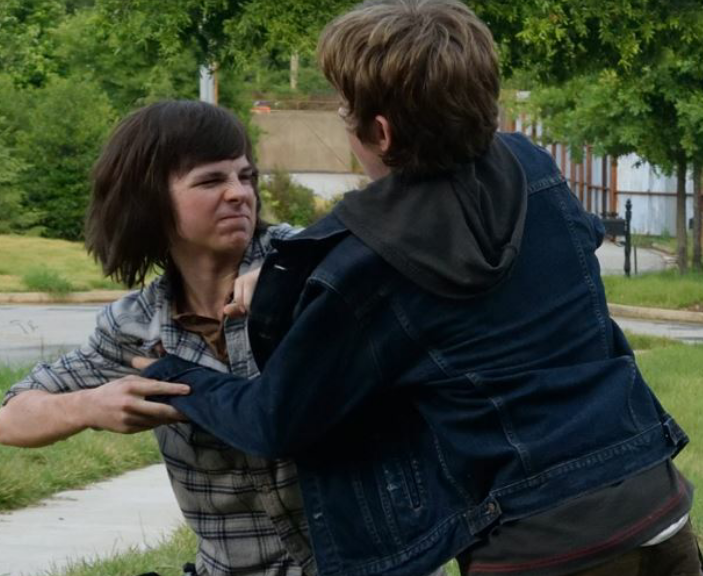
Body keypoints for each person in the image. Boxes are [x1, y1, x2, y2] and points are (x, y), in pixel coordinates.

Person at [139, 2, 702, 576]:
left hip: (541, 547)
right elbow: (572, 242)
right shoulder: (533, 168)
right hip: (656, 502)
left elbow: (275, 420)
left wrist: (174, 375)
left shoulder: (364, 268)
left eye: (345, 110)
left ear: (380, 133)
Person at [0, 100, 318, 576]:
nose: (239, 194)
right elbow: (10, 420)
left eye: (246, 176)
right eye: (211, 181)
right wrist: (88, 406)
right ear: (150, 200)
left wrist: (295, 278)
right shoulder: (136, 326)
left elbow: (376, 263)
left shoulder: (313, 259)